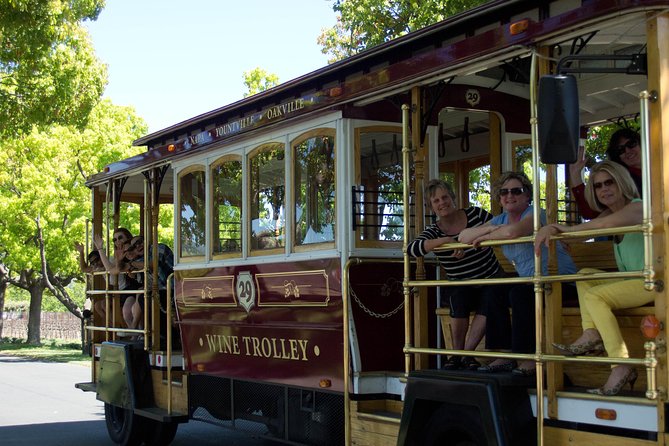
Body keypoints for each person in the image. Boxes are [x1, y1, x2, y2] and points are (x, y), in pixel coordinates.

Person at [535, 160, 646, 395]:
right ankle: (591, 333)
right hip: (633, 280)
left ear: (622, 183)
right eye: (597, 186)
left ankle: (621, 365)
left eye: (609, 183)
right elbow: (584, 232)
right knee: (584, 275)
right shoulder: (609, 213)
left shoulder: (638, 207)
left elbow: (601, 225)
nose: (604, 189)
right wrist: (553, 231)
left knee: (596, 297)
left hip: (652, 280)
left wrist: (558, 228)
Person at [459, 171, 577, 376]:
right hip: (531, 282)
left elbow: (512, 232)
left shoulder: (535, 213)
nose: (509, 195)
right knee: (496, 291)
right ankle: (504, 354)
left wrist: (491, 232)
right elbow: (463, 236)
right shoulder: (501, 219)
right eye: (504, 192)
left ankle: (527, 357)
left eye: (516, 191)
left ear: (527, 195)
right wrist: (489, 231)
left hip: (561, 282)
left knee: (519, 294)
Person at [407, 179, 504, 370]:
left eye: (445, 197)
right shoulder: (434, 231)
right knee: (458, 296)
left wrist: (474, 237)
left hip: (489, 278)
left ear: (453, 197)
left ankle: (466, 355)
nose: (442, 202)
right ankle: (455, 354)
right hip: (461, 284)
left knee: (492, 296)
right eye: (436, 201)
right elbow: (413, 249)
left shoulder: (475, 214)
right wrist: (448, 241)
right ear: (431, 207)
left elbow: (499, 227)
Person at [569, 129, 642, 219]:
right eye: (620, 150)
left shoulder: (662, 168)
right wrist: (575, 176)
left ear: (641, 143)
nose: (627, 151)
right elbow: (592, 213)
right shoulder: (618, 177)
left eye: (631, 144)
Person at [123, 235, 174, 332]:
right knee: (145, 297)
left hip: (175, 288)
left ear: (146, 241)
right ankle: (160, 335)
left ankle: (165, 336)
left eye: (140, 242)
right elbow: (118, 268)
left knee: (147, 297)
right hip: (163, 291)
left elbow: (152, 265)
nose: (138, 246)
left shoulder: (159, 248)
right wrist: (122, 257)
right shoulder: (142, 259)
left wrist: (131, 264)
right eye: (134, 246)